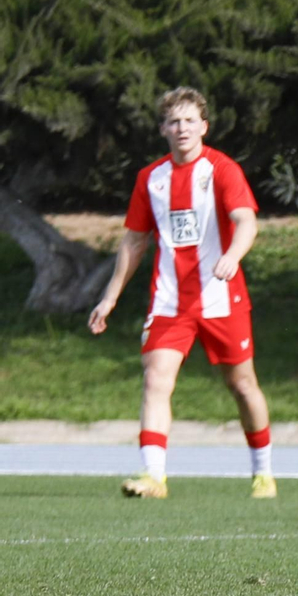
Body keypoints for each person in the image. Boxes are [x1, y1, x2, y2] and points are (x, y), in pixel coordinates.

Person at [87, 87, 276, 501]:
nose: (182, 128)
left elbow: (245, 221)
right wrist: (110, 297)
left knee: (242, 384)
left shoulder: (222, 170)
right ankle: (154, 476)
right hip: (170, 301)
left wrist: (233, 253)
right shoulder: (150, 179)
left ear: (204, 127)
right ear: (163, 130)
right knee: (155, 379)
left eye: (190, 120)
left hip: (221, 298)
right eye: (174, 121)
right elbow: (134, 242)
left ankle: (263, 472)